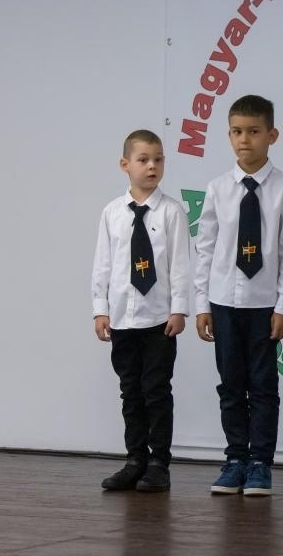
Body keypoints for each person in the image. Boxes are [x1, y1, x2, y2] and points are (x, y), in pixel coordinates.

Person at [195, 94, 283, 497]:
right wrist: (202, 304)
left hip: (264, 304)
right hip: (223, 302)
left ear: (272, 135)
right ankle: (235, 459)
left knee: (262, 385)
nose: (245, 140)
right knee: (230, 385)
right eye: (237, 132)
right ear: (229, 136)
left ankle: (260, 462)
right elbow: (206, 249)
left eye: (254, 132)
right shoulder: (218, 189)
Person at [92, 129, 191, 493]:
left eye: (158, 159)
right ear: (125, 165)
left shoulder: (172, 212)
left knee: (157, 391)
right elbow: (103, 265)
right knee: (130, 391)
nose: (152, 166)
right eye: (144, 160)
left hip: (158, 321)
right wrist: (100, 309)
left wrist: (179, 309)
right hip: (122, 319)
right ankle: (135, 459)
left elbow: (180, 265)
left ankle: (159, 463)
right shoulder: (112, 213)